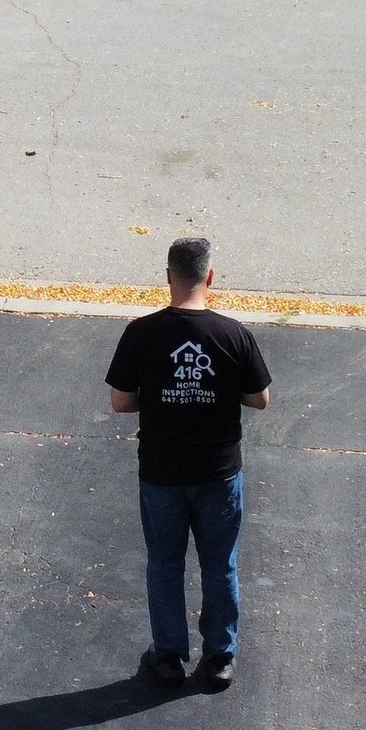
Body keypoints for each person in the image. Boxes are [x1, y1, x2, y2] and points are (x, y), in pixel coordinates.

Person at [104, 236, 271, 690]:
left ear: (168, 278)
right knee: (220, 564)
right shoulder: (234, 334)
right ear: (210, 277)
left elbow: (121, 402)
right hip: (219, 474)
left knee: (164, 563)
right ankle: (220, 657)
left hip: (161, 474)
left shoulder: (141, 332)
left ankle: (169, 656)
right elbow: (260, 398)